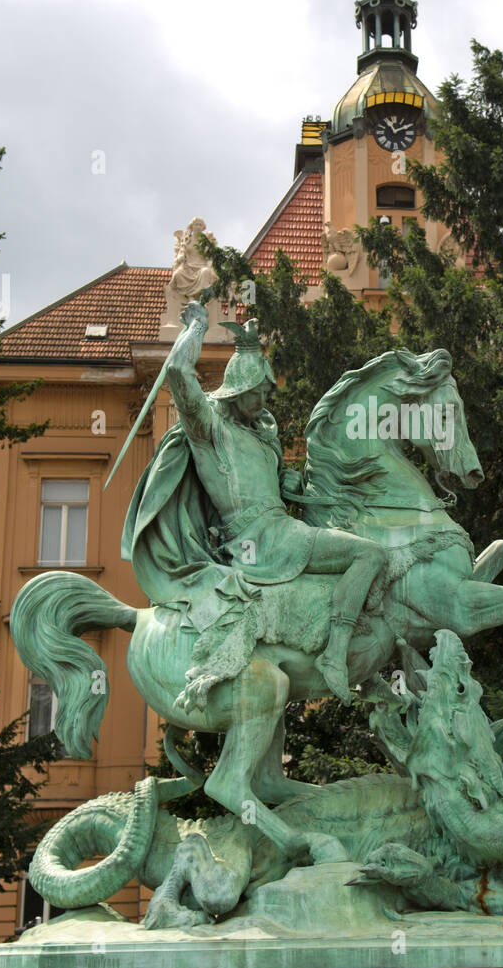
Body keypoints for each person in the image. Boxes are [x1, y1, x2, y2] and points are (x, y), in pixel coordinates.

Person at [123, 300, 386, 704]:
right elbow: (177, 371)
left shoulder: (262, 439)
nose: (264, 399)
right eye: (258, 391)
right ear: (240, 389)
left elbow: (276, 485)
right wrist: (196, 327)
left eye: (266, 391)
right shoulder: (210, 430)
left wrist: (294, 481)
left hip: (281, 530)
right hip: (261, 540)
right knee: (368, 556)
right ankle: (334, 655)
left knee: (360, 558)